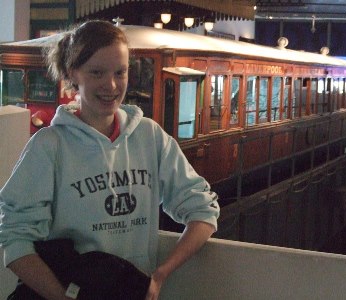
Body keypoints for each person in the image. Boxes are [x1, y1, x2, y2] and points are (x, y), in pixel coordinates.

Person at [0, 20, 219, 300]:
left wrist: (160, 275)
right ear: (73, 73)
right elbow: (15, 240)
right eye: (97, 72)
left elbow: (203, 211)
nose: (111, 85)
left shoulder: (149, 137)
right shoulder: (48, 146)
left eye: (120, 72)